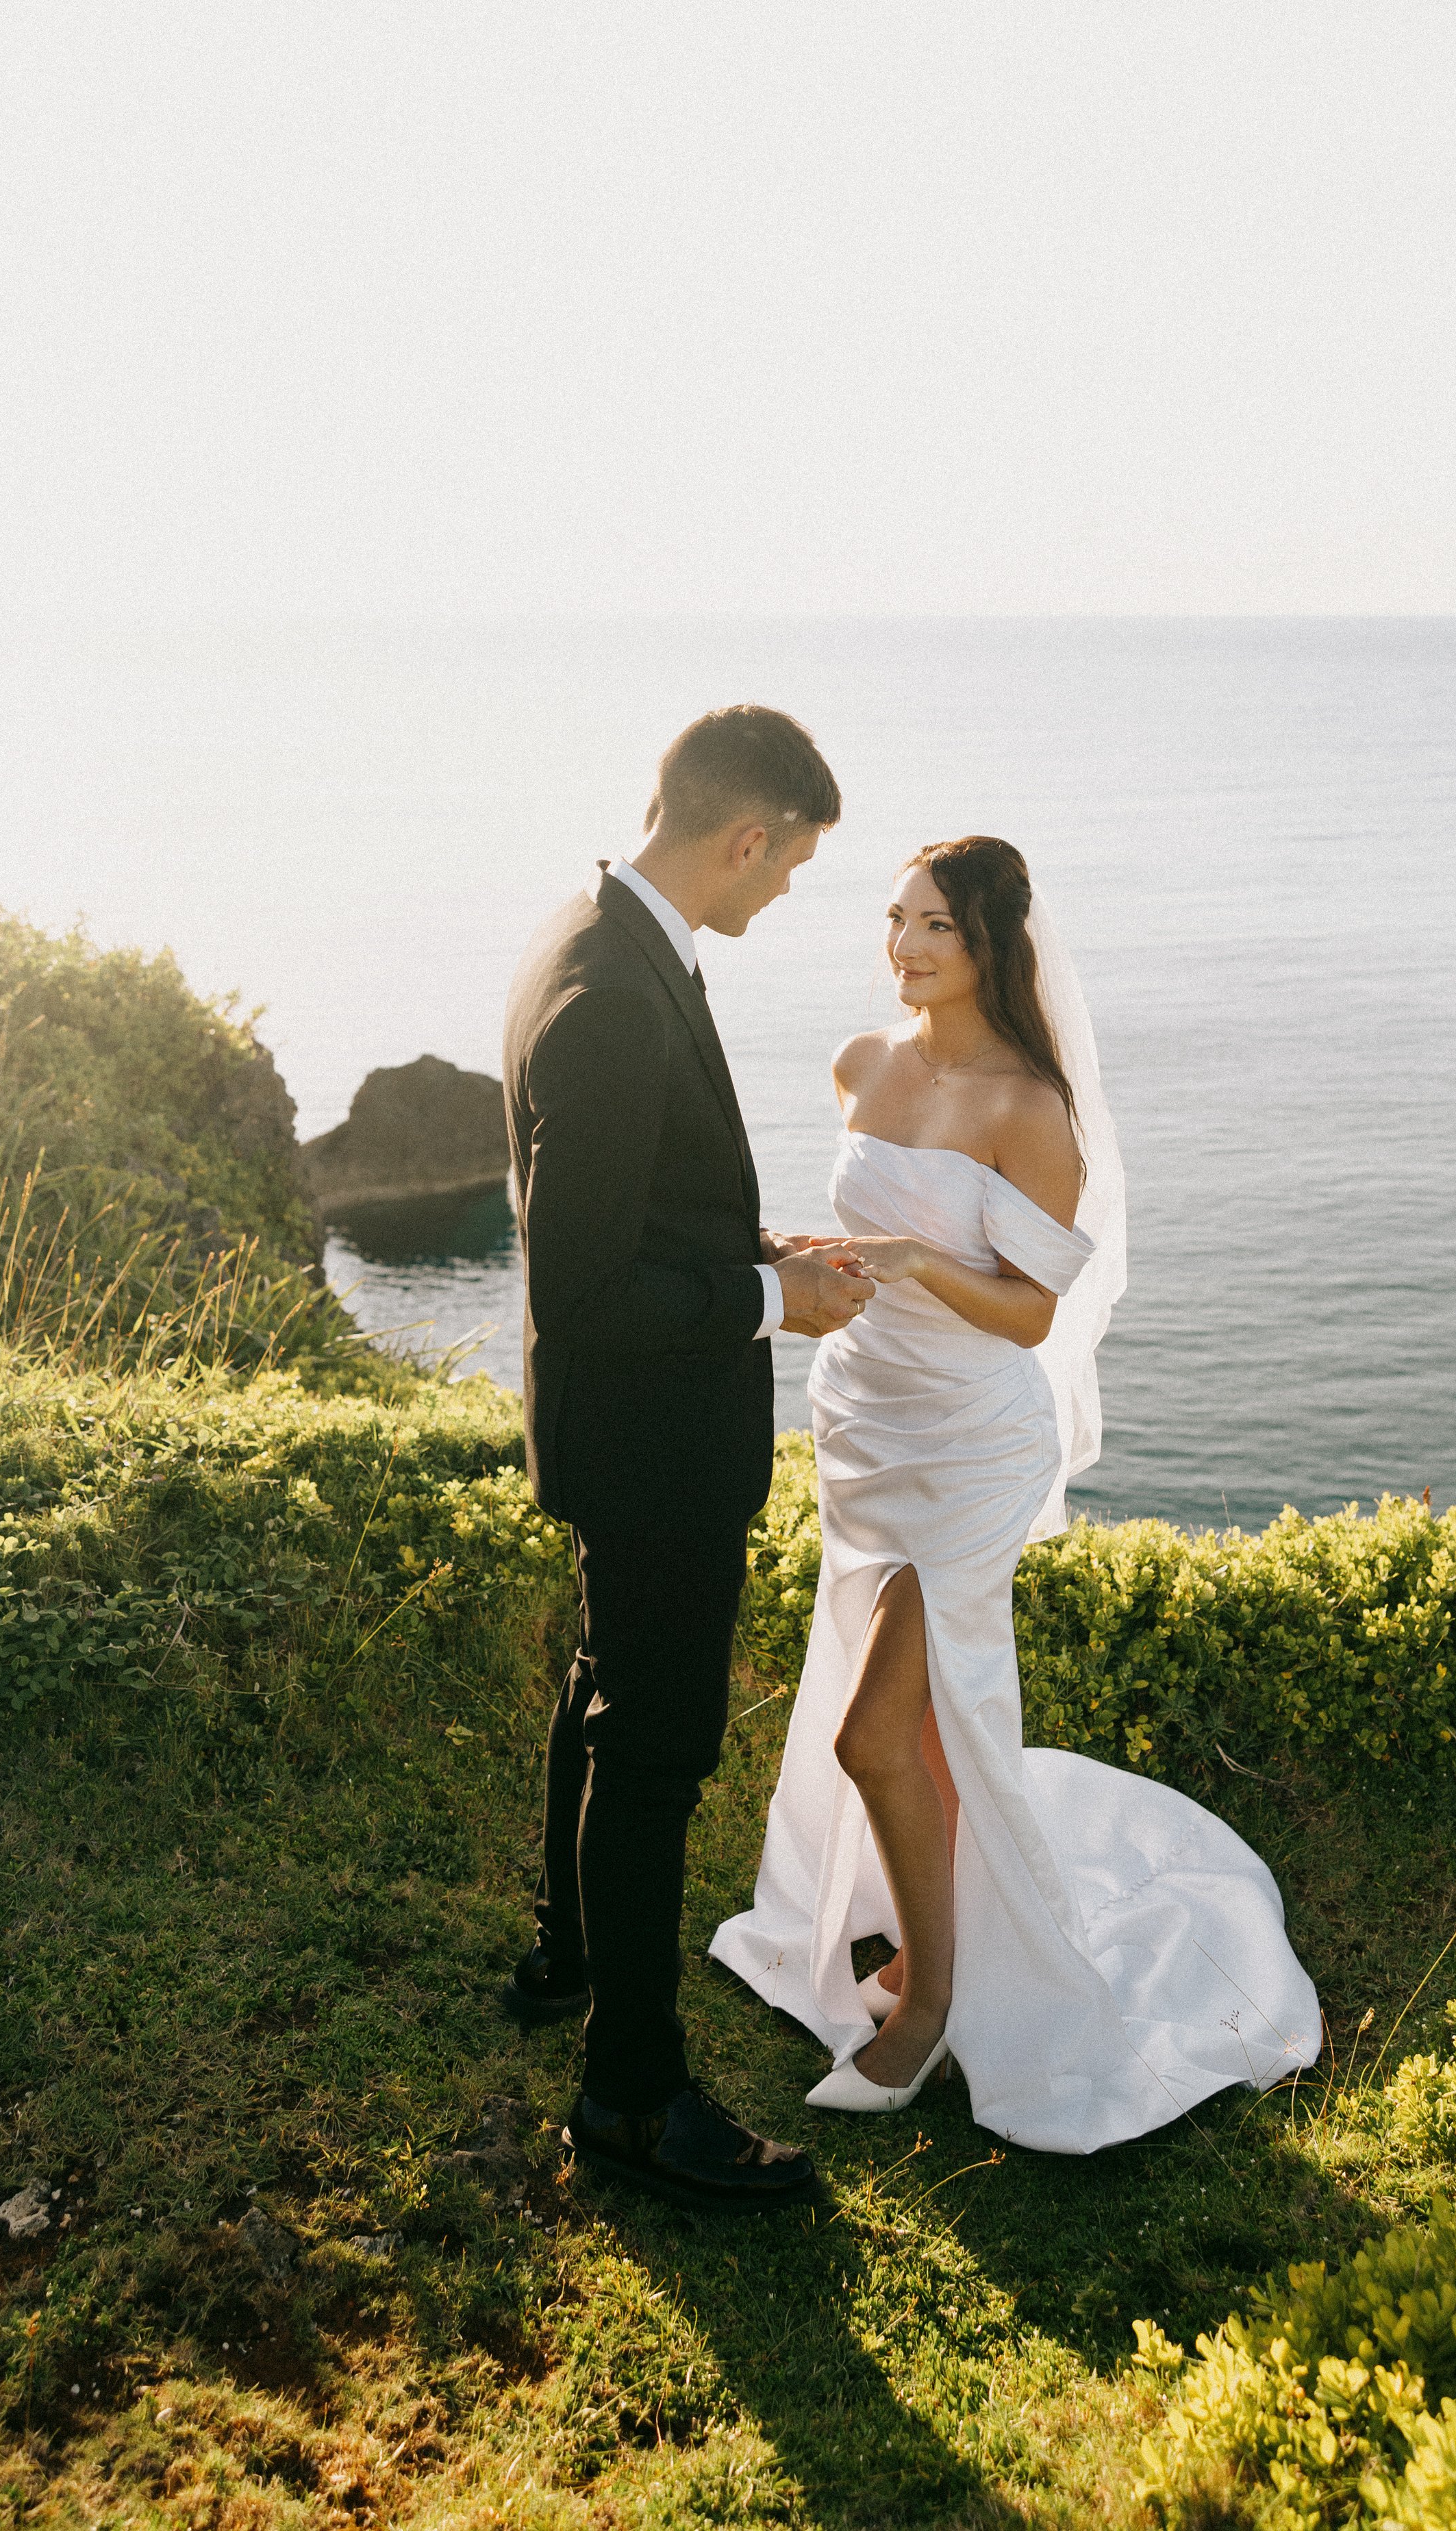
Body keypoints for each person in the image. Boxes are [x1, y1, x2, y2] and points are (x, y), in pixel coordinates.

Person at [711, 837, 1320, 2151]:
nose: (905, 945)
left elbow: (1033, 1316)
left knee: (880, 1731)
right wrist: (816, 1260)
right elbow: (860, 1227)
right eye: (895, 920)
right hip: (863, 1428)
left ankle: (929, 2009)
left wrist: (922, 1261)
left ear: (992, 943)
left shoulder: (1029, 1110)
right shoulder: (859, 1063)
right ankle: (921, 1944)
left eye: (934, 925)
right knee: (902, 1723)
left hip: (972, 1450)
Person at [499, 705, 873, 2210]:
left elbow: (624, 1211)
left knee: (601, 1696)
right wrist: (770, 1301)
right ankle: (633, 2099)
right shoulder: (612, 996)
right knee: (654, 1756)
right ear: (742, 837)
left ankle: (566, 1959)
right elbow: (580, 1288)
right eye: (787, 864)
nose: (783, 890)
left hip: (623, 1434)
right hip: (652, 1443)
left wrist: (751, 1247)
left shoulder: (593, 933)